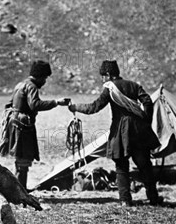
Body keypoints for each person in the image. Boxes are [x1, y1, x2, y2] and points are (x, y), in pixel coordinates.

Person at [68, 60, 163, 206]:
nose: (102, 79)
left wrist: (75, 107)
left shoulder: (110, 88)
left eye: (102, 76)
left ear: (108, 75)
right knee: (145, 165)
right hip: (139, 130)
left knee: (121, 166)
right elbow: (147, 101)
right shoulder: (134, 85)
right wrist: (146, 121)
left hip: (121, 130)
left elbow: (94, 107)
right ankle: (153, 198)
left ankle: (125, 200)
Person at [0, 60, 69, 189]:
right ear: (40, 76)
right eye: (45, 78)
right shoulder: (31, 87)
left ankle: (18, 188)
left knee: (20, 159)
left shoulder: (20, 85)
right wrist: (56, 102)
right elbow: (35, 105)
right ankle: (21, 191)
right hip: (23, 126)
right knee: (24, 160)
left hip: (14, 123)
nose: (45, 81)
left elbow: (9, 104)